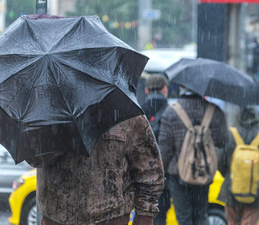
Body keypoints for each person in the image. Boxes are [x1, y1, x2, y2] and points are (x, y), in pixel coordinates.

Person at [26, 115, 164, 225]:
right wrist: (62, 131)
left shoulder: (124, 110)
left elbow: (149, 169)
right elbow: (35, 158)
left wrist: (145, 215)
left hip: (110, 219)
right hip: (56, 217)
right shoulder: (48, 110)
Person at [159, 86, 228, 225]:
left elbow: (164, 149)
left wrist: (161, 174)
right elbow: (223, 141)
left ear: (182, 87)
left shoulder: (171, 112)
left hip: (177, 174)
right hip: (203, 172)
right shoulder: (214, 111)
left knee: (184, 217)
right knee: (201, 215)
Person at [218, 107, 259, 225]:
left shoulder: (231, 134)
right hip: (255, 192)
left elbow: (220, 160)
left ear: (238, 116)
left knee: (232, 222)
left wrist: (230, 174)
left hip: (231, 189)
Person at [141, 74, 170, 225]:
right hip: (164, 173)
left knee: (143, 213)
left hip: (141, 172)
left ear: (146, 90)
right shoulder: (171, 112)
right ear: (165, 89)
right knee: (161, 214)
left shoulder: (138, 111)